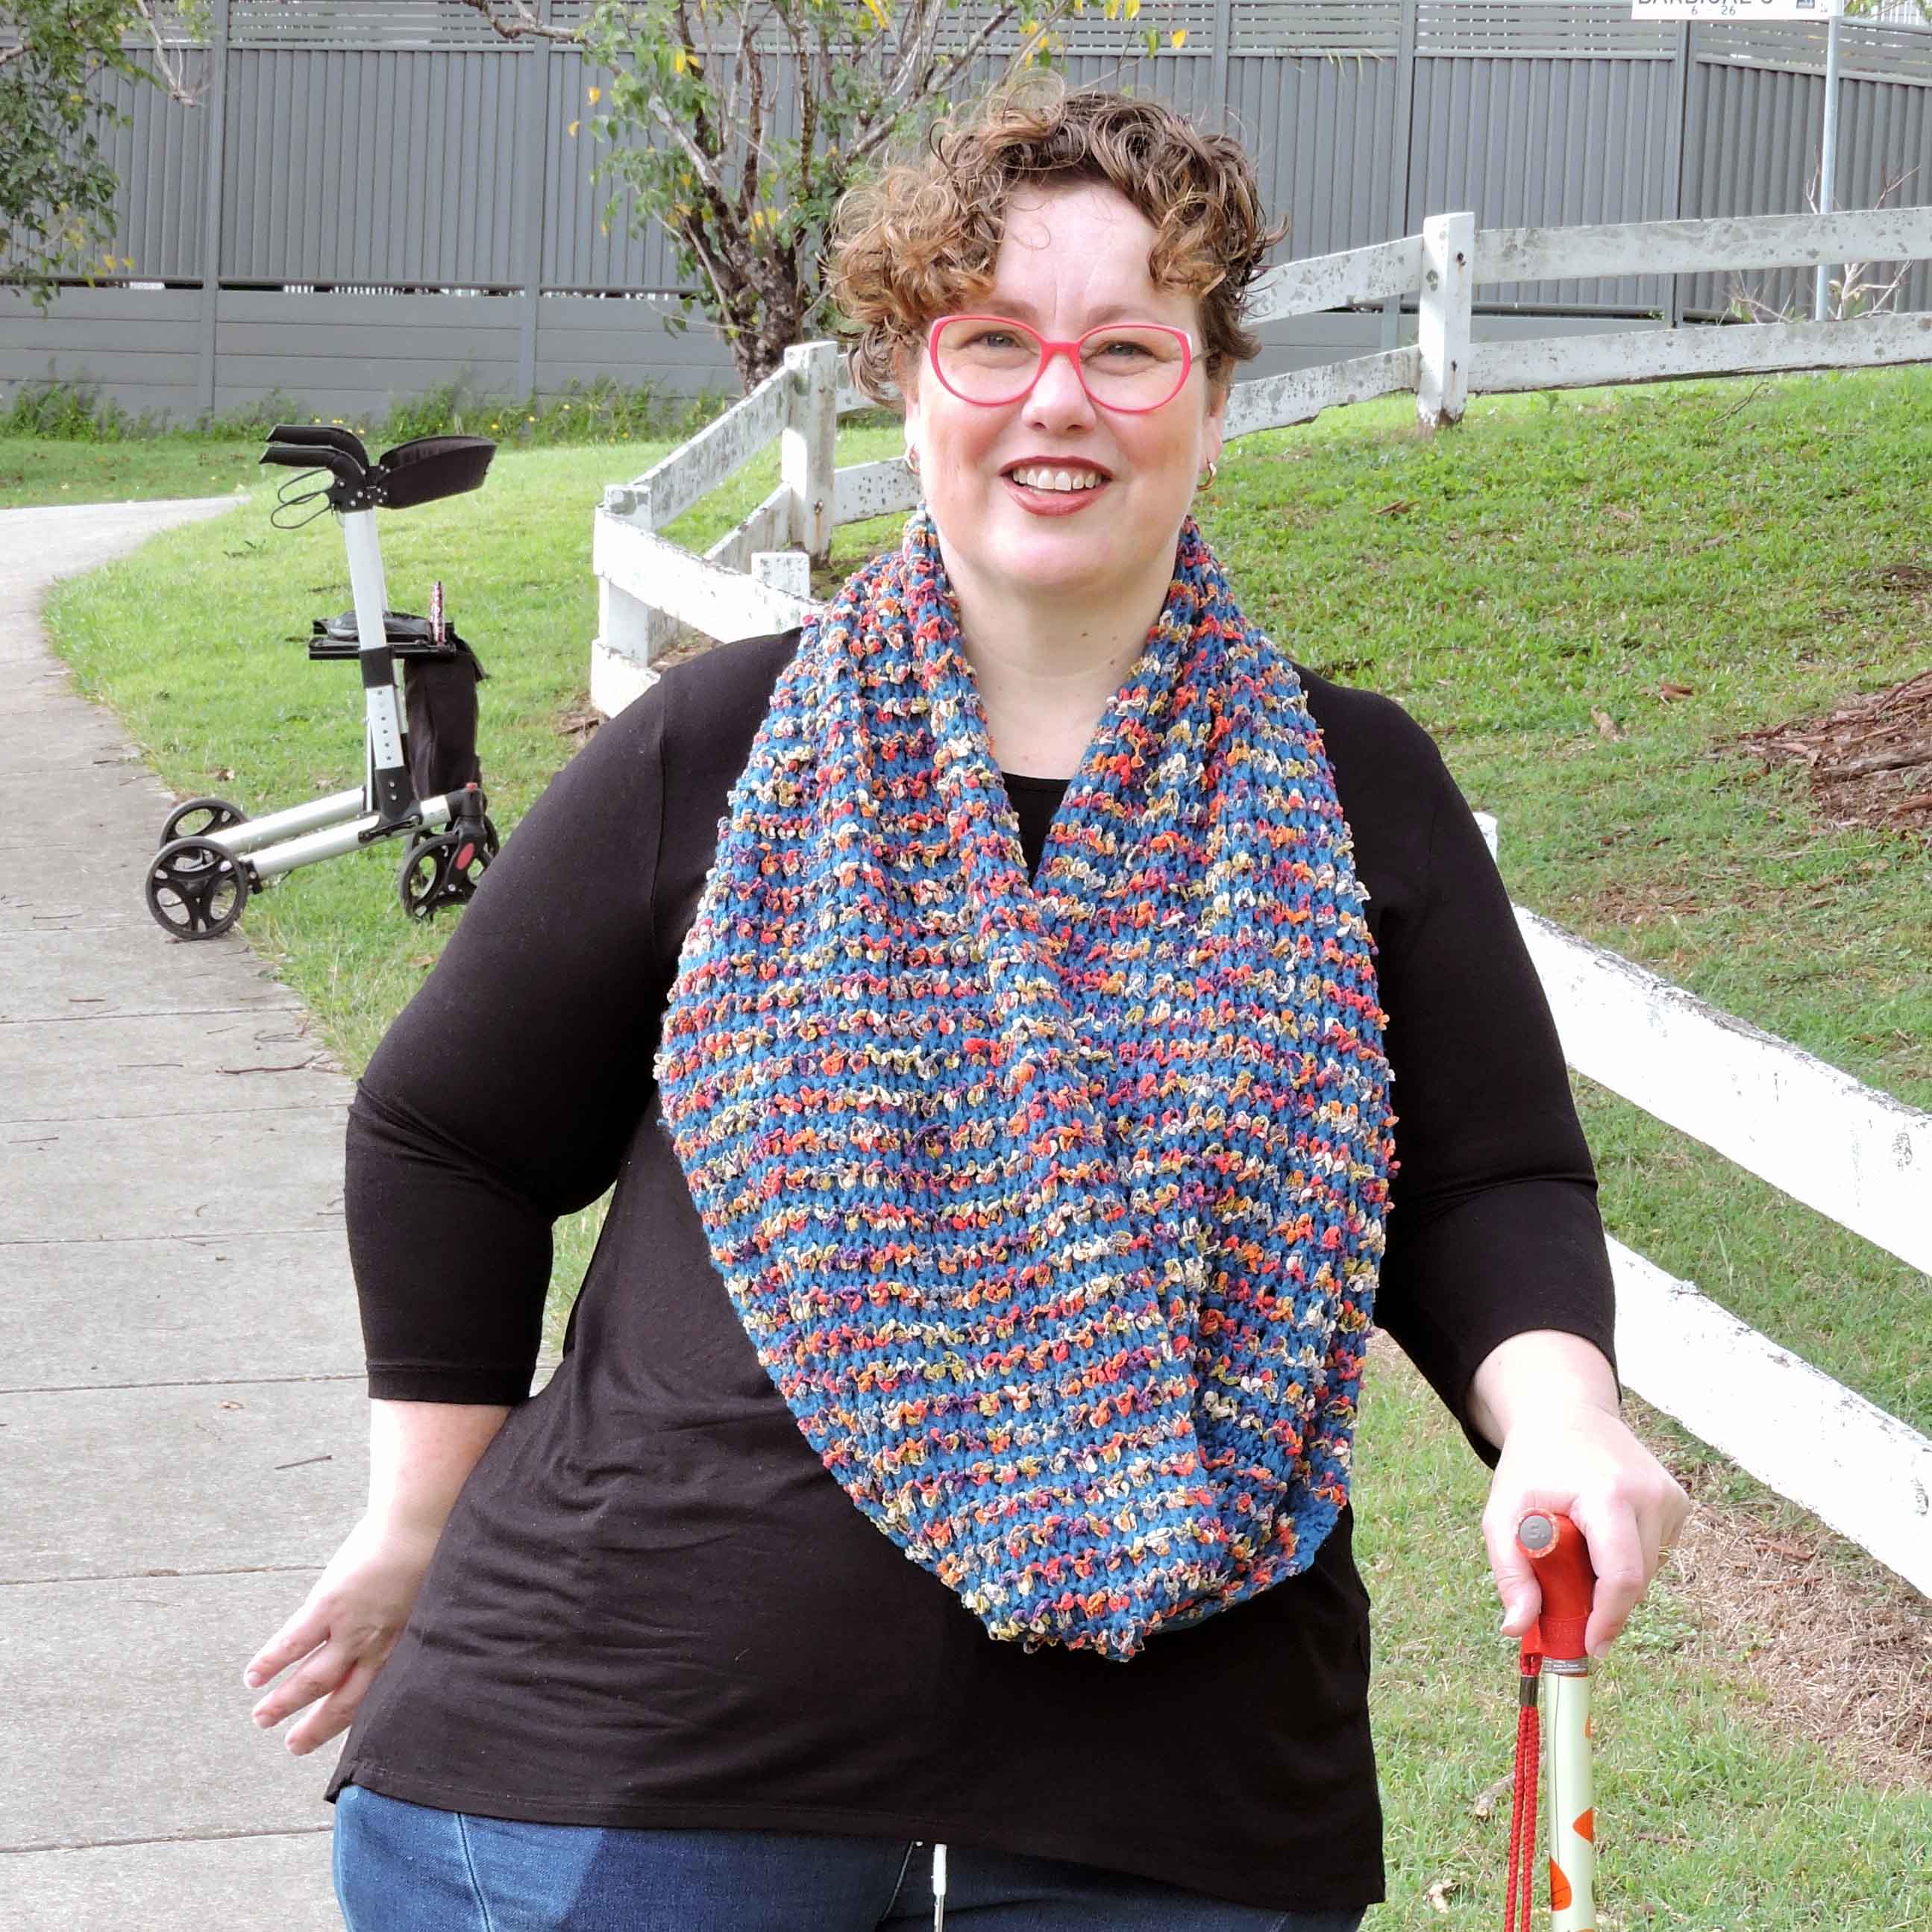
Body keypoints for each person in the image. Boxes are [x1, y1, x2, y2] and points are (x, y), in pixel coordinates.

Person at [244, 78, 1689, 1932]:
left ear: (1213, 389)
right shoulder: (721, 745)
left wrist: (1560, 1411)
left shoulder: (1354, 790)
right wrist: (416, 1513)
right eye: (990, 341)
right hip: (632, 1775)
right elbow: (445, 1132)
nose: (1054, 399)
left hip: (1171, 1804)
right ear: (914, 389)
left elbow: (1488, 1181)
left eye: (1124, 346)